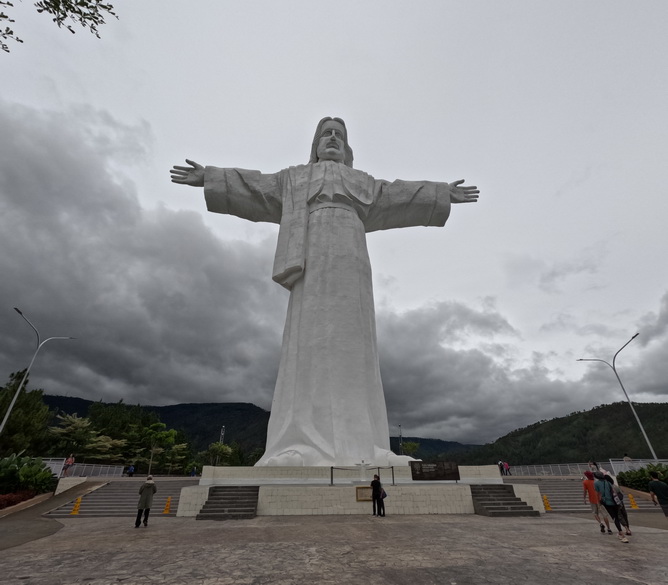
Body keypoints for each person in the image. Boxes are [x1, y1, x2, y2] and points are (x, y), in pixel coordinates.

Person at [171, 117, 479, 467]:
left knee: (356, 345)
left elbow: (399, 193)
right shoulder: (294, 179)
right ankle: (301, 444)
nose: (332, 139)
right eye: (326, 134)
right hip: (312, 254)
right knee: (311, 342)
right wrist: (211, 177)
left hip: (352, 251)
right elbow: (255, 185)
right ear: (315, 146)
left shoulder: (363, 183)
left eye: (339, 135)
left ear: (347, 149)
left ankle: (370, 448)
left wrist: (442, 192)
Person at [594, 471, 628, 543]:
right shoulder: (608, 482)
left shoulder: (596, 483)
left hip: (607, 502)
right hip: (615, 502)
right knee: (617, 516)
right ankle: (622, 532)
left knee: (614, 517)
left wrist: (599, 503)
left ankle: (622, 534)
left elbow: (597, 494)